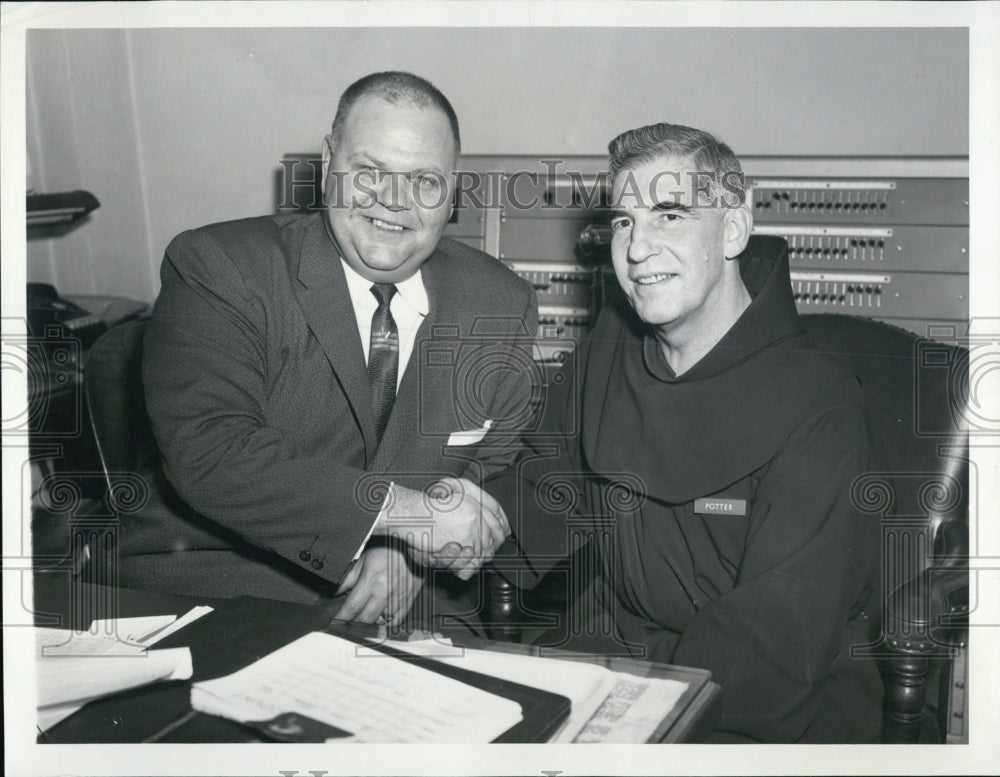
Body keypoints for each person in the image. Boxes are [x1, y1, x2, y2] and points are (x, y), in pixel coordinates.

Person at [487, 123, 884, 743]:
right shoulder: (608, 349)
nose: (637, 249)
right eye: (623, 221)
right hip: (613, 657)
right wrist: (448, 526)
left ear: (732, 229)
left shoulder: (819, 404)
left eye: (669, 215)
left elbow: (775, 640)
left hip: (755, 702)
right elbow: (549, 481)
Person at [132, 72, 536, 628]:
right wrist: (405, 517)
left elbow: (502, 459)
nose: (394, 203)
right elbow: (212, 451)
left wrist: (407, 553)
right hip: (228, 587)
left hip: (412, 599)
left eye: (424, 180)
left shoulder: (501, 301)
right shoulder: (219, 266)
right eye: (371, 172)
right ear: (328, 162)